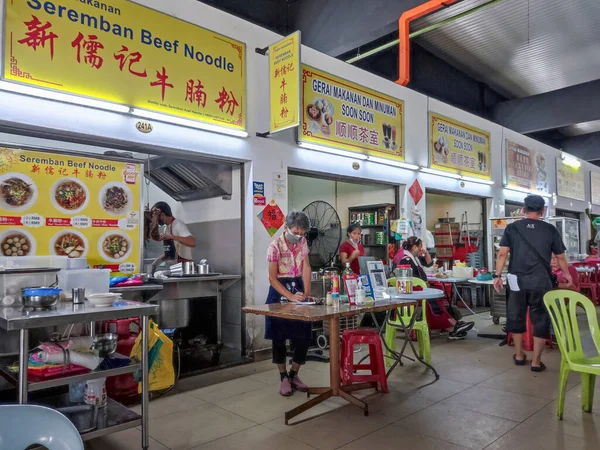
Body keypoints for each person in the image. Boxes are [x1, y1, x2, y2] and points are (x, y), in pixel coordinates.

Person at [493, 194, 571, 372]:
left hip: (516, 282)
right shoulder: (550, 230)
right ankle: (536, 361)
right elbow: (560, 256)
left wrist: (497, 276)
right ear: (542, 211)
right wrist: (567, 275)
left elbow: (503, 254)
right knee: (541, 320)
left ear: (523, 210)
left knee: (516, 316)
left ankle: (519, 356)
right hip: (541, 282)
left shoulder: (512, 228)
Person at [266, 210, 312, 396]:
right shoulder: (274, 246)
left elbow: (306, 267)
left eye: (302, 233)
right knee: (279, 337)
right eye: (296, 232)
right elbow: (272, 278)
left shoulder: (303, 243)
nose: (299, 236)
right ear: (286, 228)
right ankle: (283, 376)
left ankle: (294, 374)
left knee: (304, 334)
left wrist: (306, 294)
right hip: (279, 289)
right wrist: (290, 296)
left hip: (298, 285)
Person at [400, 236, 474, 340]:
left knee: (438, 301)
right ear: (414, 247)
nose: (421, 249)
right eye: (420, 246)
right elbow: (405, 282)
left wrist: (425, 253)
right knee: (433, 304)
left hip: (421, 291)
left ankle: (454, 324)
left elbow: (429, 263)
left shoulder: (415, 259)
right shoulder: (406, 261)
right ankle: (452, 328)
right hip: (414, 293)